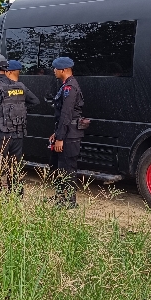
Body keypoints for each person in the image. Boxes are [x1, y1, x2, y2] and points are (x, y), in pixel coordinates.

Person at [0, 55, 39, 191]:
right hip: (17, 133)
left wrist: (0, 111)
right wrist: (17, 110)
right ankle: (15, 197)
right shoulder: (19, 85)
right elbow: (35, 101)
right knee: (14, 166)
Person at [48, 56, 85, 209]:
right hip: (65, 132)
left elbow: (66, 114)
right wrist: (56, 134)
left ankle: (69, 202)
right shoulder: (66, 86)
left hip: (70, 135)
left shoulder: (70, 88)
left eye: (56, 69)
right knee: (59, 166)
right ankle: (60, 197)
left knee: (67, 167)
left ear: (63, 70)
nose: (54, 71)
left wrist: (60, 138)